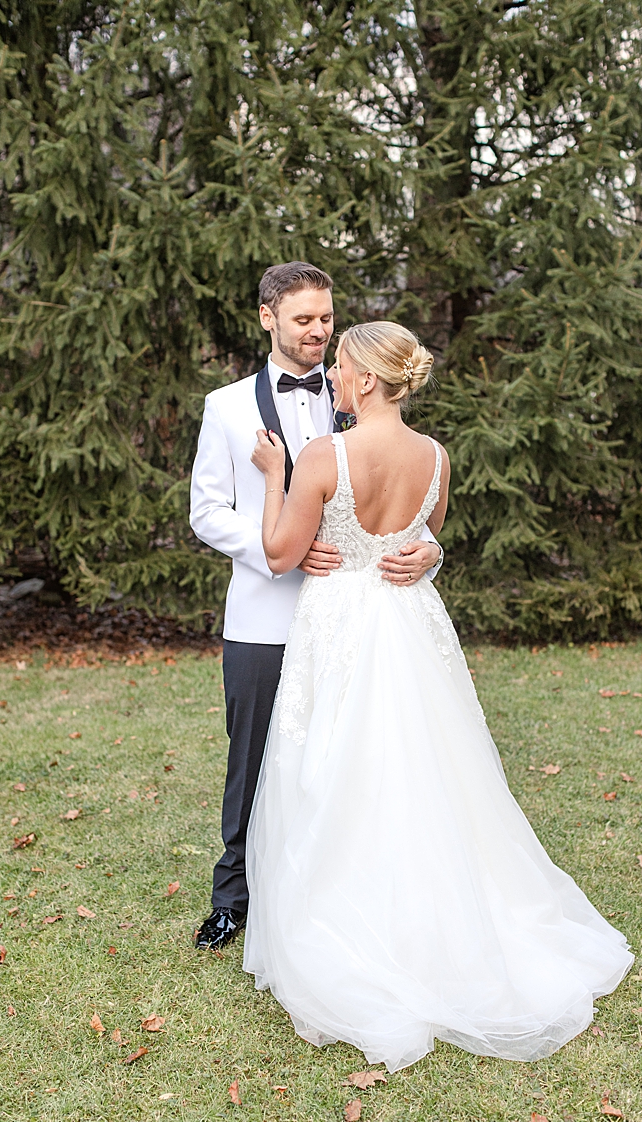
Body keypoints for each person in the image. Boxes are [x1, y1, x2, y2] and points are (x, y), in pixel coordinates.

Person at [240, 320, 633, 1070]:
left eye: (340, 369)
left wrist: (272, 476)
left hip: (341, 624)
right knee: (423, 769)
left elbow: (281, 553)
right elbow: (425, 538)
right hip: (409, 626)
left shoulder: (323, 455)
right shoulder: (436, 456)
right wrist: (429, 552)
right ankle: (435, 918)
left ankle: (353, 926)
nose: (332, 378)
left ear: (360, 379)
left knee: (333, 767)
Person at [189, 263, 442, 952]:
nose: (318, 331)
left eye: (326, 319)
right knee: (253, 764)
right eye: (304, 320)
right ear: (268, 317)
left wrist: (431, 554)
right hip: (264, 618)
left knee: (345, 763)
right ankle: (233, 900)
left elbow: (403, 512)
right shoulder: (226, 407)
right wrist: (283, 549)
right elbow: (206, 512)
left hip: (357, 621)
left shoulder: (353, 388)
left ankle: (328, 896)